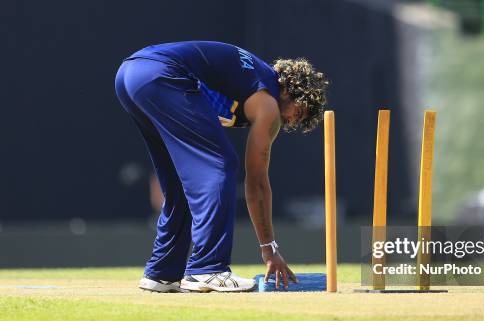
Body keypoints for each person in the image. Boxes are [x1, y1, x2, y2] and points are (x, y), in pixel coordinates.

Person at [115, 41, 328, 293]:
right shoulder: (269, 104)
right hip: (161, 73)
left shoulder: (252, 79)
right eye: (300, 111)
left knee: (181, 180)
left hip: (130, 75)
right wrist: (269, 248)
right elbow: (256, 182)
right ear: (290, 90)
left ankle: (162, 272)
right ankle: (208, 268)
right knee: (221, 163)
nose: (293, 120)